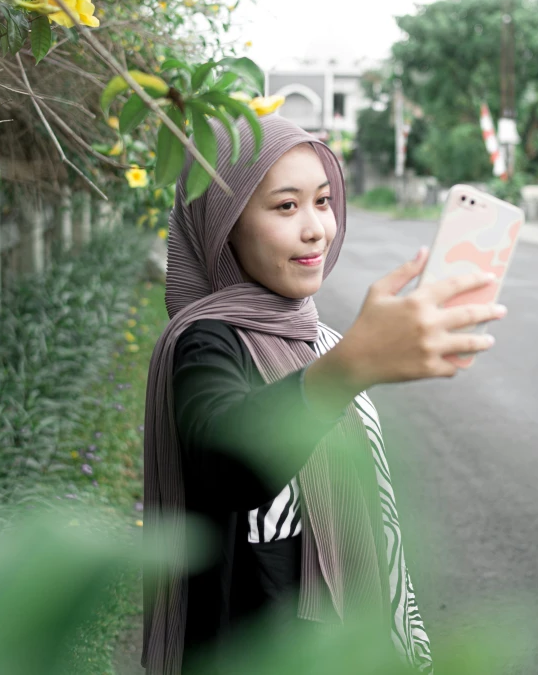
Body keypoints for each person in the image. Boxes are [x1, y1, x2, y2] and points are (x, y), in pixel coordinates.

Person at [141, 114, 506, 675]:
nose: (317, 228)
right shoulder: (206, 340)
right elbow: (222, 462)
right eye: (286, 206)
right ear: (223, 224)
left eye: (323, 201)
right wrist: (347, 370)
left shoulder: (316, 334)